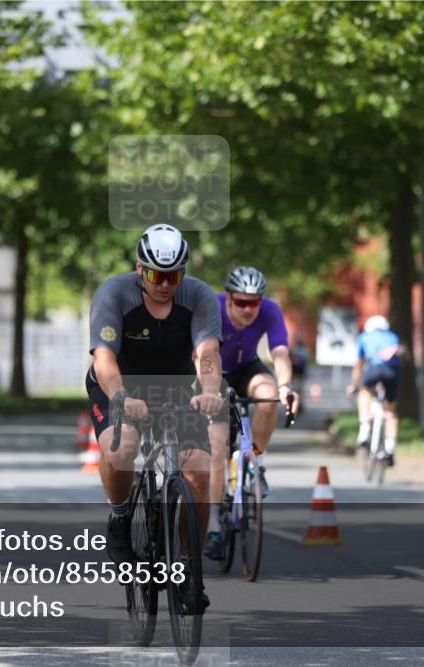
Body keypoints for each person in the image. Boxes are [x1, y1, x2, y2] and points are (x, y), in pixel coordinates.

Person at [87, 223, 224, 609]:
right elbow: (104, 359)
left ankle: (186, 567)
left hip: (174, 389)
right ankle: (119, 515)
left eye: (173, 276)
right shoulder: (113, 293)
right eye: (155, 275)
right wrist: (121, 396)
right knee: (122, 446)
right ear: (138, 268)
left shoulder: (198, 297)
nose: (165, 284)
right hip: (118, 384)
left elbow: (208, 353)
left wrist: (211, 391)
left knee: (199, 472)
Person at [204, 266, 298, 560]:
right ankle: (213, 526)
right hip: (214, 370)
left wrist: (285, 386)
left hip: (247, 368)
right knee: (217, 444)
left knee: (268, 398)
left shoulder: (270, 310)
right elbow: (204, 354)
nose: (248, 309)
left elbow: (280, 352)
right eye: (242, 302)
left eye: (253, 302)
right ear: (228, 298)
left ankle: (254, 458)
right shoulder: (212, 308)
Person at [347, 315, 404, 466]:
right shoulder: (393, 336)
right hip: (392, 372)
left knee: (365, 392)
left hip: (374, 369)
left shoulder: (364, 337)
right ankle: (390, 448)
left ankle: (365, 428)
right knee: (390, 411)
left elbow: (359, 364)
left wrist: (354, 385)